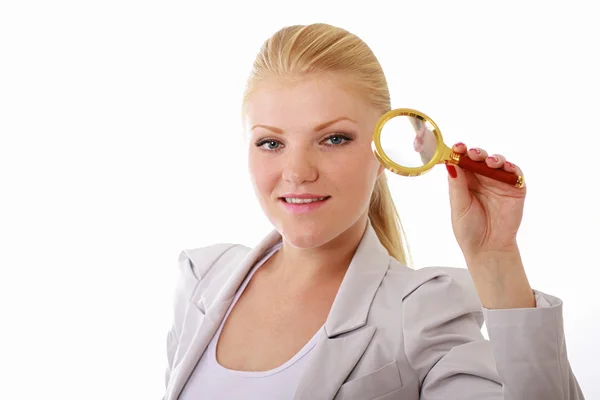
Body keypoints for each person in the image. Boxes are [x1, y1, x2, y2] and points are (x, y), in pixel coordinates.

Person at [163, 23, 584, 400]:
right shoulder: (203, 280)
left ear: (382, 151)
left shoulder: (423, 312)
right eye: (271, 143)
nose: (297, 172)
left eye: (333, 139)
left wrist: (497, 260)